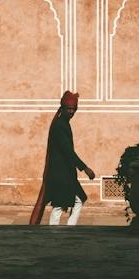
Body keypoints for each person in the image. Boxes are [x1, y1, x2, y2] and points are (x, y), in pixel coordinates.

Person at [29, 90, 96, 226]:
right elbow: (67, 151)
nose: (72, 112)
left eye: (74, 109)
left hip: (65, 173)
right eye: (69, 109)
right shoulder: (60, 125)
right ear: (63, 108)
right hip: (60, 173)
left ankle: (68, 228)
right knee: (60, 205)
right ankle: (55, 233)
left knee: (78, 199)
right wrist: (84, 168)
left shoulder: (63, 123)